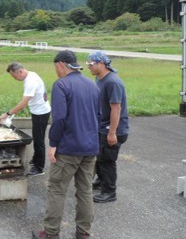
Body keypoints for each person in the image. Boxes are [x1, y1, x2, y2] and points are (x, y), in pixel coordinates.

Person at [33, 50, 100, 239]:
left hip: (69, 148)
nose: (56, 71)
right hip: (90, 147)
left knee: (56, 189)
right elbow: (99, 116)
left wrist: (53, 144)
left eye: (56, 67)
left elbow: (59, 118)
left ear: (61, 64)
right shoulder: (92, 85)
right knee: (85, 190)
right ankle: (83, 232)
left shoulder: (61, 85)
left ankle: (51, 233)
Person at [86, 51, 129, 203]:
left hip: (113, 129)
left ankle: (109, 192)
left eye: (90, 64)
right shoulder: (100, 78)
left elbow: (116, 108)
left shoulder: (112, 82)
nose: (88, 67)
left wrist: (112, 133)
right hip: (102, 126)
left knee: (107, 160)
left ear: (101, 63)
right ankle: (101, 181)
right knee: (99, 157)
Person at [0, 62, 51, 176]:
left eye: (14, 76)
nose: (14, 79)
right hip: (39, 110)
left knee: (39, 140)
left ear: (20, 72)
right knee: (37, 137)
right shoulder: (31, 74)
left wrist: (7, 114)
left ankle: (39, 168)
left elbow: (23, 103)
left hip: (40, 112)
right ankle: (36, 158)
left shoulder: (30, 81)